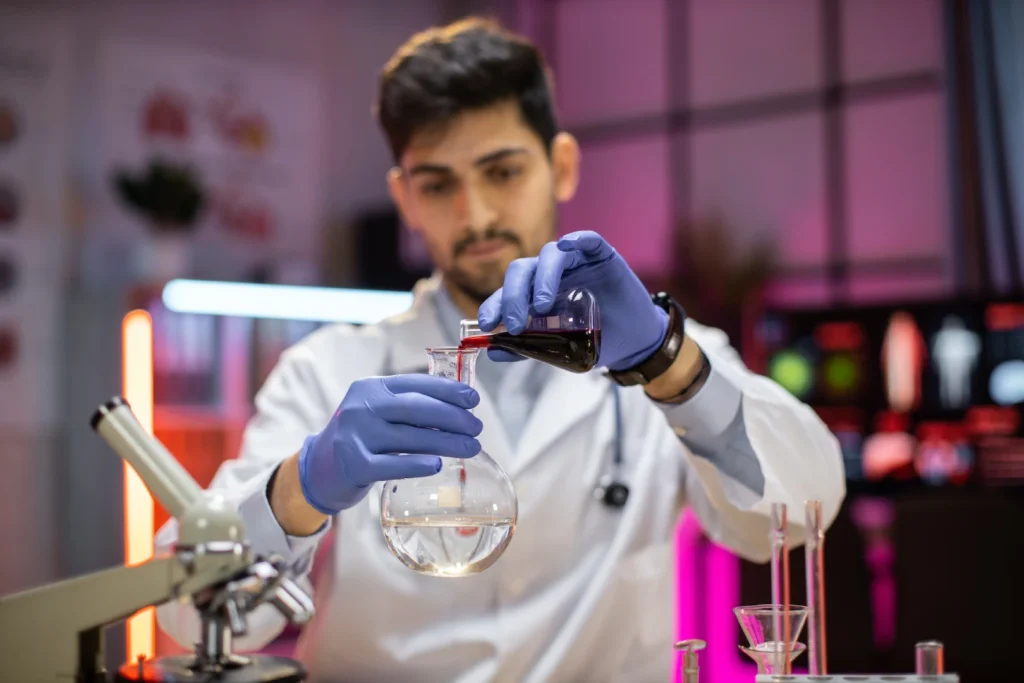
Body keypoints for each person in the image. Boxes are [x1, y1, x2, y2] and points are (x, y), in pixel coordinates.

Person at [156, 17, 845, 683]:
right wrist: (299, 489)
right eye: (437, 184)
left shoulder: (671, 357)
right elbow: (189, 612)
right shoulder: (327, 370)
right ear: (404, 197)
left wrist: (666, 363)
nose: (475, 214)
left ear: (562, 165)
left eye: (503, 171)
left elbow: (799, 514)